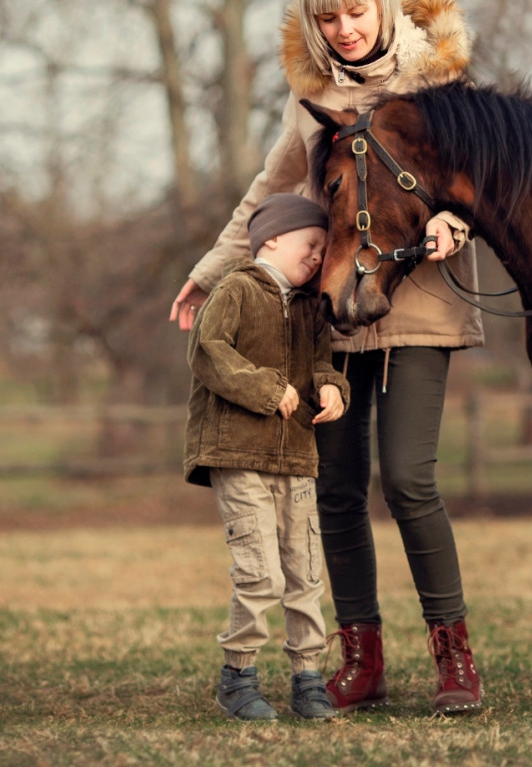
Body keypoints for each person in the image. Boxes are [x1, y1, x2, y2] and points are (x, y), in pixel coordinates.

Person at [170, 0, 487, 714]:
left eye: (356, 10)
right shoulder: (309, 98)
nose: (345, 28)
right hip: (333, 316)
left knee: (409, 478)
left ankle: (455, 663)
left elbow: (480, 178)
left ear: (381, 1)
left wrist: (455, 219)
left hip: (421, 305)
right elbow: (267, 193)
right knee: (337, 489)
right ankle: (360, 660)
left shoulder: (440, 82)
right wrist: (209, 271)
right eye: (327, 16)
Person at [184, 193, 351, 721]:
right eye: (313, 244)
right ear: (271, 239)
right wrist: (265, 387)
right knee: (260, 574)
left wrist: (331, 387)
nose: (319, 257)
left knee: (304, 573)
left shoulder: (311, 308)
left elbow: (322, 362)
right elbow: (208, 350)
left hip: (297, 457)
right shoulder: (235, 289)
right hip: (239, 453)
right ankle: (238, 677)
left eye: (325, 249)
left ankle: (307, 680)